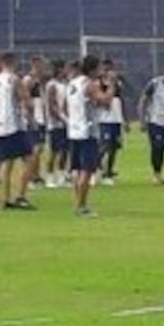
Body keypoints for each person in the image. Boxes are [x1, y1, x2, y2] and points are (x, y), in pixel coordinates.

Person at [67, 55, 115, 216]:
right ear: (93, 69)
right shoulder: (90, 84)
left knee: (76, 169)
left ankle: (78, 202)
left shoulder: (72, 83)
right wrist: (111, 86)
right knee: (86, 170)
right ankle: (82, 206)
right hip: (87, 131)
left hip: (74, 129)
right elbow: (106, 101)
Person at [0, 53, 37, 210]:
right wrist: (31, 119)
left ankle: (6, 198)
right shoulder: (14, 79)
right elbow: (26, 101)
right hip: (15, 126)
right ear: (13, 62)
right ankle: (21, 196)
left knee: (7, 162)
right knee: (31, 158)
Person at [138, 66, 164, 185]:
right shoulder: (154, 84)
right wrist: (142, 120)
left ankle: (159, 172)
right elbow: (143, 100)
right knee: (157, 146)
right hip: (154, 120)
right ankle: (156, 174)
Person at [97, 59, 128, 186]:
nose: (108, 72)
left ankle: (108, 172)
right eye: (105, 69)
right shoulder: (98, 84)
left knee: (114, 148)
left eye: (110, 69)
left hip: (117, 119)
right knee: (104, 146)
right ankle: (95, 168)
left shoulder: (117, 84)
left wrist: (124, 119)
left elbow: (121, 101)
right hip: (104, 119)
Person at [22, 56, 48, 189]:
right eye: (41, 65)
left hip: (40, 118)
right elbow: (25, 100)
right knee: (34, 150)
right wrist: (30, 118)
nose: (43, 68)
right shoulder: (28, 80)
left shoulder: (39, 81)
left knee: (40, 149)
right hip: (33, 120)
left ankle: (36, 176)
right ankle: (31, 177)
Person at [44, 59, 69, 188]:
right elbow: (51, 105)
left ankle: (61, 175)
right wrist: (61, 118)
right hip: (55, 124)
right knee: (54, 151)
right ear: (59, 69)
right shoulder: (51, 85)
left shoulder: (65, 84)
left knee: (65, 150)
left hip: (65, 122)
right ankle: (49, 176)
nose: (66, 71)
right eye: (64, 68)